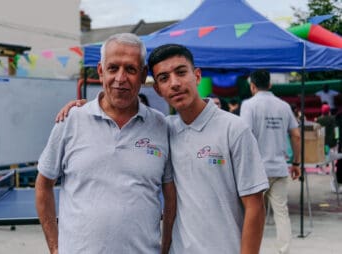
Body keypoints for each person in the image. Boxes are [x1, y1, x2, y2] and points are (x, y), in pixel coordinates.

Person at [58, 44, 269, 254]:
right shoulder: (162, 128)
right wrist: (83, 108)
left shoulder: (234, 129)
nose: (174, 83)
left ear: (197, 76)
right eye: (164, 78)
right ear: (158, 89)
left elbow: (255, 207)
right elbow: (120, 114)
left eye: (181, 72)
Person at [35, 33, 176, 254]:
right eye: (113, 68)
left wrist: (165, 249)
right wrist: (55, 248)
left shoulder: (161, 126)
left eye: (130, 69)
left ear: (143, 75)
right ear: (101, 71)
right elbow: (43, 185)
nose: (121, 78)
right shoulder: (70, 121)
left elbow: (171, 198)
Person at [240, 69, 301, 254]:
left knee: (252, 212)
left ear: (252, 86)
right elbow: (296, 135)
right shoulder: (283, 106)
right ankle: (284, 250)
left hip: (256, 170)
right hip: (279, 167)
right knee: (281, 212)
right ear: (270, 84)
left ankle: (250, 249)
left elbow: (245, 136)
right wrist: (296, 163)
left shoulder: (249, 105)